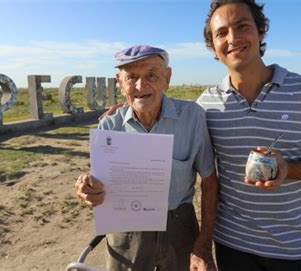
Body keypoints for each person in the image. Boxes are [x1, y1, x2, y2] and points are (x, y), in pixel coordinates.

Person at [197, 0, 301, 270]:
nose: (232, 38)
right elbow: (170, 130)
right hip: (232, 246)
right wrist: (129, 109)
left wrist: (288, 169)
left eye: (242, 26)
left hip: (295, 248)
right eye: (221, 33)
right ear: (213, 46)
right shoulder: (206, 104)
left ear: (261, 31)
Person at [74, 45, 219, 271]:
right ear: (120, 83)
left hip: (179, 227)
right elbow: (98, 185)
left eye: (151, 75)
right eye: (131, 77)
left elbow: (210, 181)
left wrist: (203, 243)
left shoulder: (192, 118)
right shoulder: (109, 125)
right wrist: (88, 189)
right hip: (126, 230)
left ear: (167, 78)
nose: (141, 86)